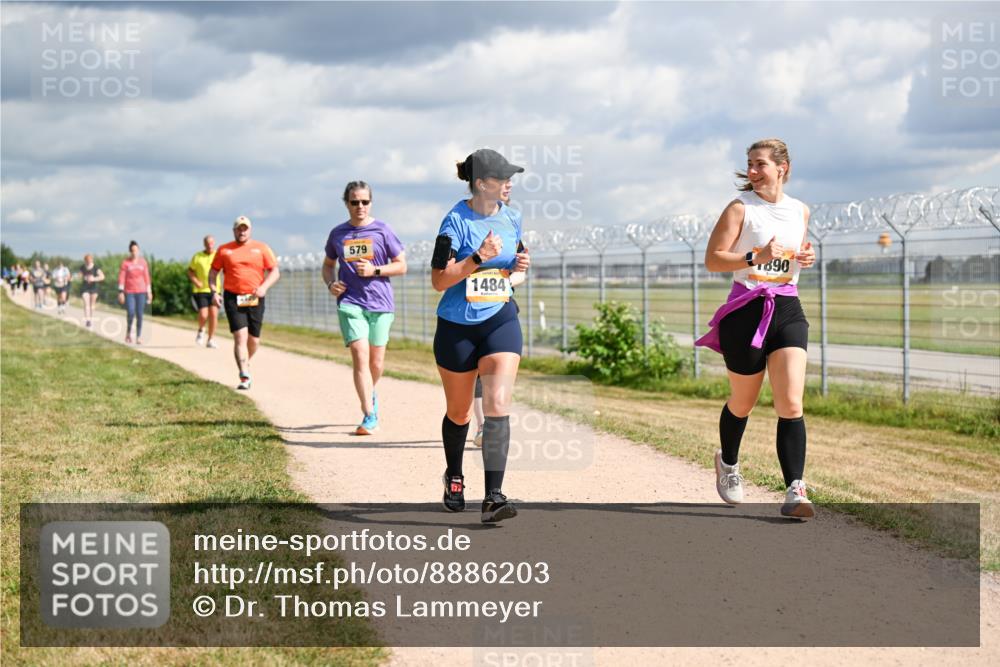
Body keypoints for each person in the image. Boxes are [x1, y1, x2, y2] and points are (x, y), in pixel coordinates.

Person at [696, 138, 817, 519]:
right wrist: (755, 257)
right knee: (743, 402)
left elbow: (794, 256)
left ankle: (795, 489)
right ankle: (728, 463)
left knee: (791, 402)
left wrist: (806, 257)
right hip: (746, 309)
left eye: (760, 164)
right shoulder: (740, 209)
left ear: (783, 168)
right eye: (749, 163)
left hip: (787, 306)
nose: (752, 170)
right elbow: (713, 260)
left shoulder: (800, 210)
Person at [431, 148, 531, 523]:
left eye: (510, 178)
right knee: (459, 412)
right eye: (503, 178)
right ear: (481, 184)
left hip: (500, 319)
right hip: (457, 326)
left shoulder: (513, 219)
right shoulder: (453, 222)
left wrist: (519, 268)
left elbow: (513, 271)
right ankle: (454, 475)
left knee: (497, 406)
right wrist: (477, 257)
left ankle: (494, 495)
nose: (509, 184)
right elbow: (439, 280)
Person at [322, 181, 407, 435]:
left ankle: (371, 393)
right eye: (354, 202)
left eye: (365, 202)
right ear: (346, 203)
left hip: (381, 303)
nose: (360, 206)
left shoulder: (382, 230)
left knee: (376, 363)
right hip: (350, 302)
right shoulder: (338, 233)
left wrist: (375, 270)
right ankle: (369, 415)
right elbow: (327, 265)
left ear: (371, 202)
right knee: (360, 356)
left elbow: (401, 265)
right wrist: (331, 284)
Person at [209, 215, 280, 390]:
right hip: (233, 296)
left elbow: (275, 272)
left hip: (255, 296)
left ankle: (245, 361)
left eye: (245, 228)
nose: (242, 231)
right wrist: (214, 292)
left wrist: (264, 287)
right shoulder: (224, 250)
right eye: (239, 229)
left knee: (253, 340)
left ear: (250, 230)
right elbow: (213, 273)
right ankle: (244, 375)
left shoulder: (261, 248)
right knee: (240, 336)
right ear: (234, 230)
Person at [187, 235, 221, 348]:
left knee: (214, 315)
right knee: (203, 314)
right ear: (204, 244)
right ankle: (201, 329)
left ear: (214, 243)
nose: (210, 245)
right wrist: (195, 281)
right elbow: (190, 271)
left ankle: (211, 339)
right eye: (207, 243)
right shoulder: (197, 256)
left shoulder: (218, 255)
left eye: (211, 243)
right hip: (201, 290)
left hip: (215, 290)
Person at [117, 241, 153, 344]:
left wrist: (149, 292)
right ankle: (128, 333)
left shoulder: (143, 262)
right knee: (131, 312)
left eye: (136, 250)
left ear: (138, 250)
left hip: (141, 291)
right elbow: (122, 277)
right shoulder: (125, 263)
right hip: (129, 292)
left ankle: (138, 336)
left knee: (140, 314)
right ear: (130, 251)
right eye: (132, 251)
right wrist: (120, 292)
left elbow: (146, 277)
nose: (134, 252)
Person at [79, 254, 104, 328]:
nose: (88, 262)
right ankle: (88, 320)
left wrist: (94, 278)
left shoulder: (96, 268)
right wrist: (83, 277)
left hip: (94, 288)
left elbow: (102, 277)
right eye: (87, 261)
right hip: (85, 288)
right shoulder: (82, 267)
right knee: (86, 303)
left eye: (90, 260)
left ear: (92, 260)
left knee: (92, 304)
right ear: (85, 260)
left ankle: (91, 319)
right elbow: (79, 275)